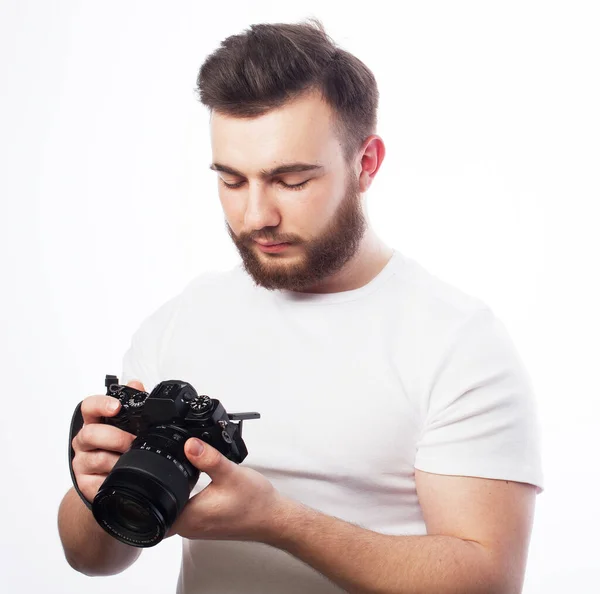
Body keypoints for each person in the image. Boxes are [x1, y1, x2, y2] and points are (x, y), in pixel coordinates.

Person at [58, 18, 544, 594]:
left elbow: (487, 582)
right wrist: (92, 486)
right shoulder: (185, 317)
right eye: (232, 180)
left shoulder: (456, 342)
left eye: (289, 180)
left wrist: (278, 521)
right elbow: (93, 560)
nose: (255, 216)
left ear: (366, 164)